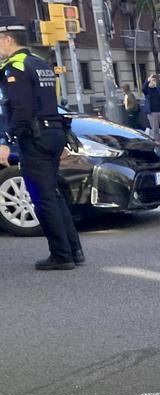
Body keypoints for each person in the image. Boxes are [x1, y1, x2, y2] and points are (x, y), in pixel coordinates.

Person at [0, 18, 83, 270]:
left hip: (34, 139)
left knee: (42, 197)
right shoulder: (39, 63)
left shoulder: (15, 67)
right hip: (53, 133)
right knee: (53, 195)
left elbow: (21, 109)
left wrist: (6, 140)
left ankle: (61, 255)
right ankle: (73, 249)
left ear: (7, 39)